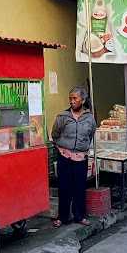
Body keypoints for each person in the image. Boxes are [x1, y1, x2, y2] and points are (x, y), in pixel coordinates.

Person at [51, 86, 96, 228]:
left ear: (82, 100)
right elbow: (55, 134)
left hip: (80, 158)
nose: (72, 101)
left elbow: (90, 135)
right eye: (70, 98)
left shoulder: (89, 118)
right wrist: (64, 148)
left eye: (75, 98)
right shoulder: (63, 117)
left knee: (79, 187)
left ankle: (79, 216)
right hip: (64, 157)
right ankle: (62, 217)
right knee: (64, 187)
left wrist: (81, 148)